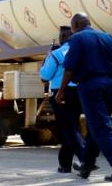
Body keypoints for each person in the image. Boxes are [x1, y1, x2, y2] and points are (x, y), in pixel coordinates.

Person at [56, 13, 112, 182]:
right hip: (108, 86)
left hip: (90, 86)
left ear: (75, 25)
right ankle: (86, 165)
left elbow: (69, 69)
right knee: (95, 126)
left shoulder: (77, 39)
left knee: (100, 125)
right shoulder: (109, 38)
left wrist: (61, 91)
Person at [39, 26, 88, 173]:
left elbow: (45, 76)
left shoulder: (56, 54)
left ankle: (86, 159)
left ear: (63, 37)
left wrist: (45, 60)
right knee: (71, 127)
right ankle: (65, 164)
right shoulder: (81, 53)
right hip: (79, 92)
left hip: (61, 93)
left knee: (68, 129)